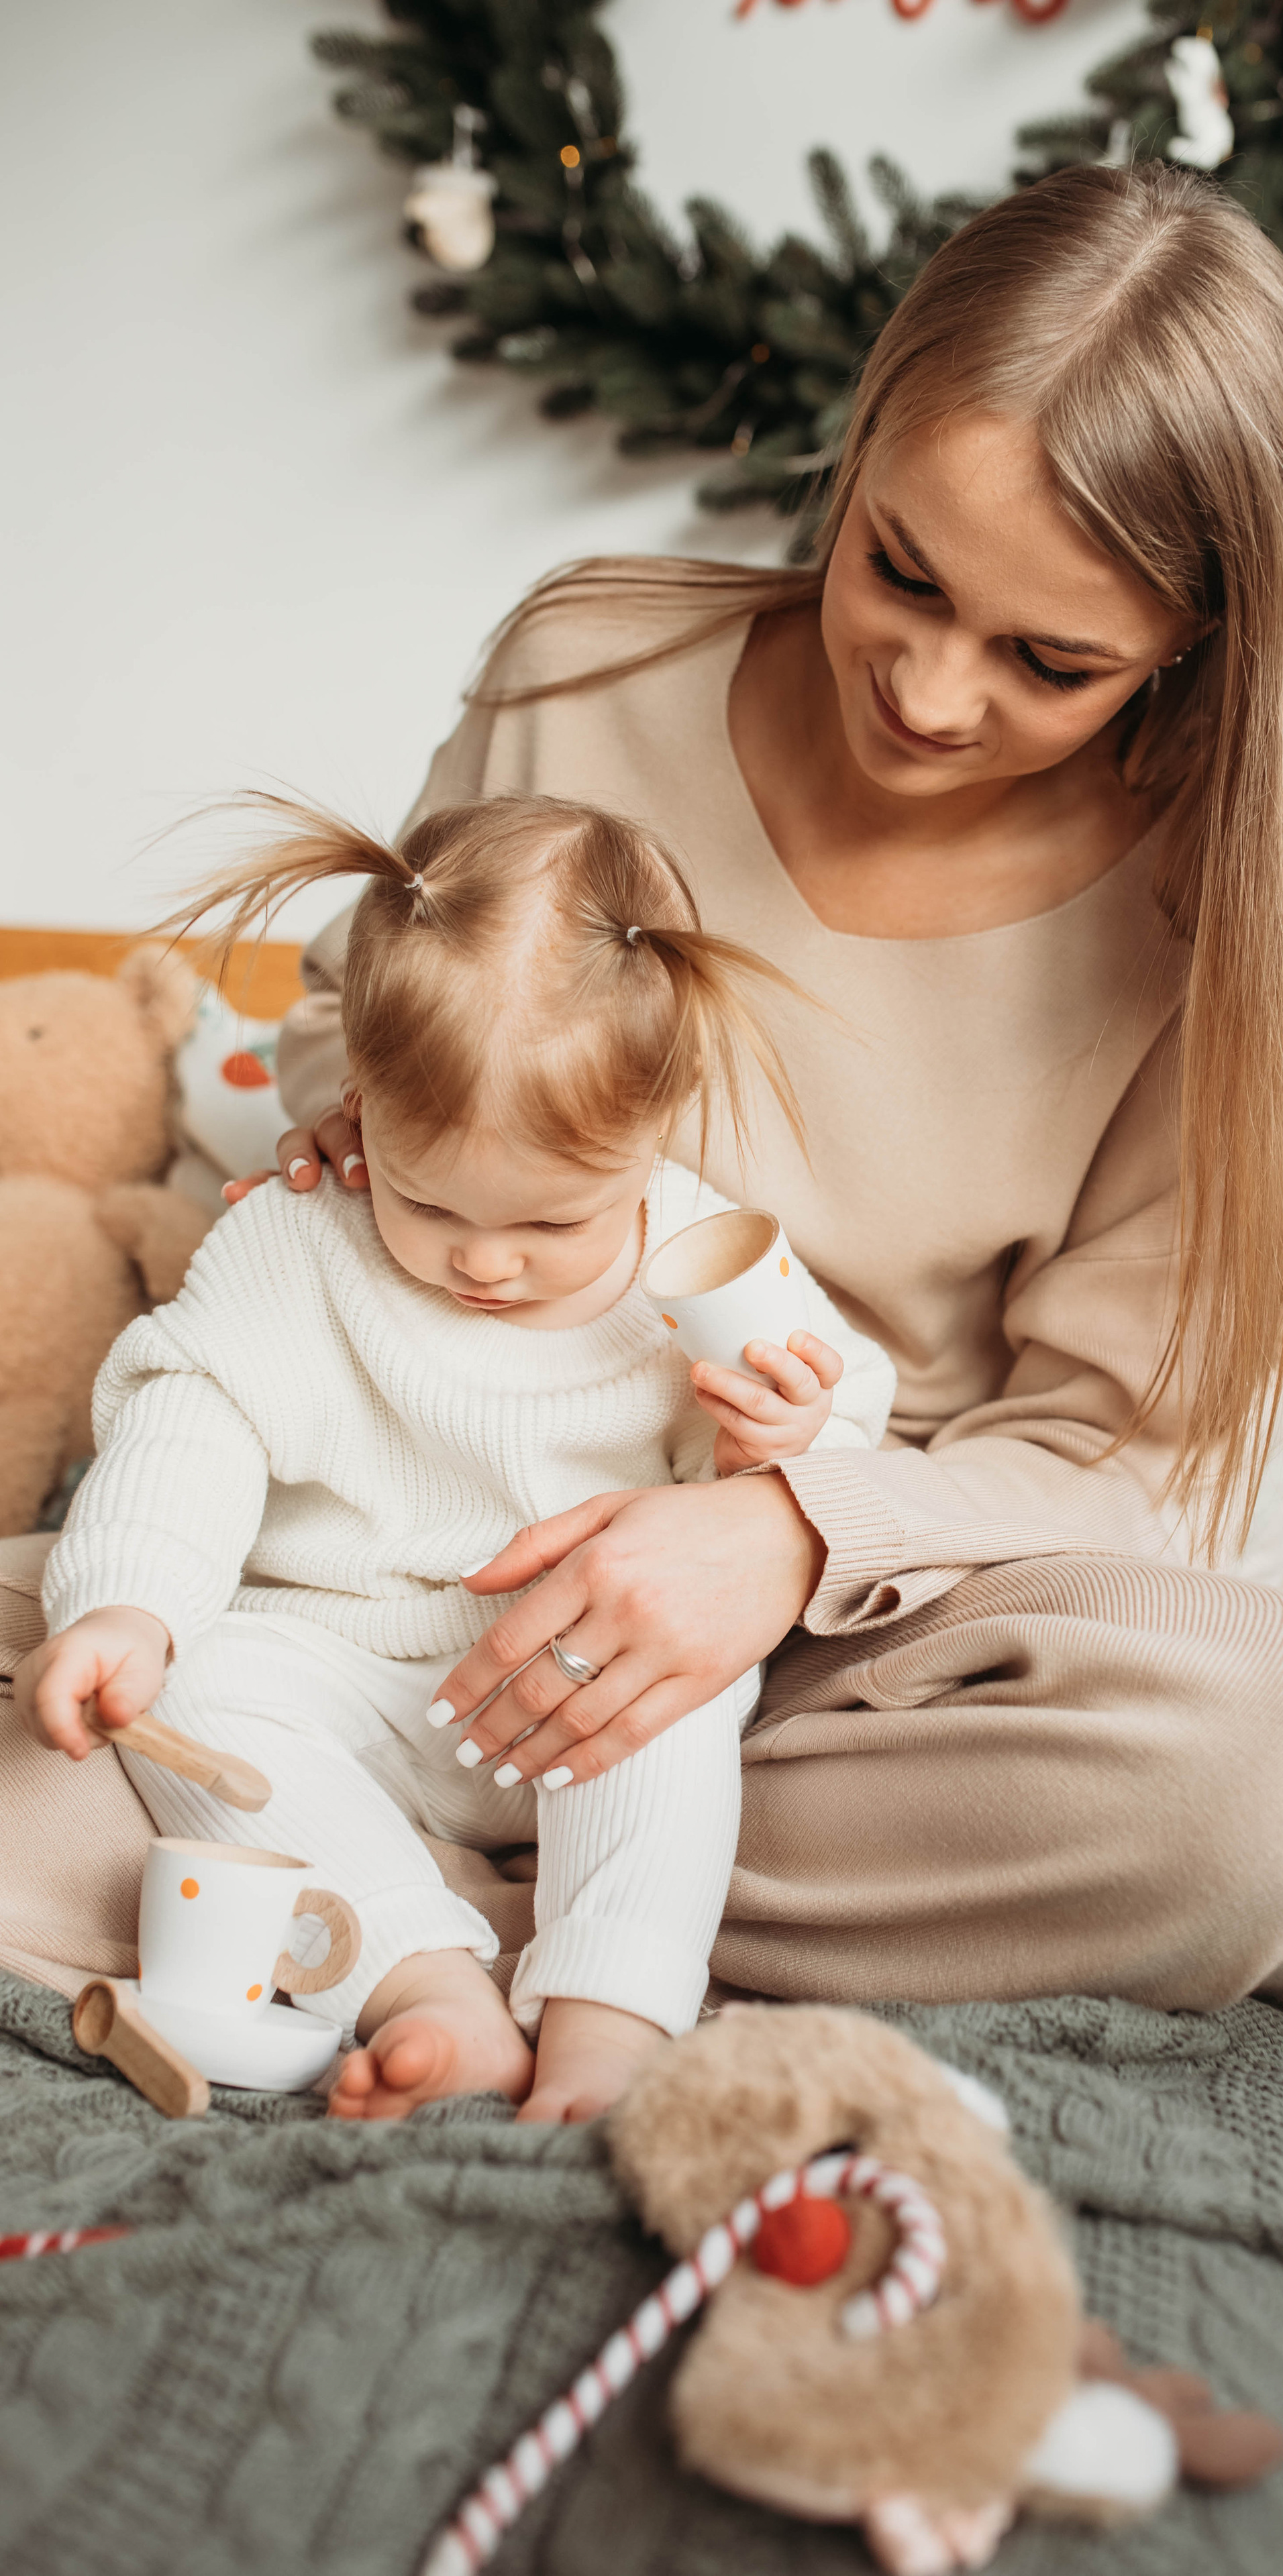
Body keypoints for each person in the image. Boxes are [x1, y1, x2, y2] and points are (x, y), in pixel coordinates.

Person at [121, 160, 1283, 2034]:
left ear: (1196, 640)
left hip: (832, 1676)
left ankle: (395, 1895)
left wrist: (790, 1538)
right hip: (388, 1570)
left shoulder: (1209, 914)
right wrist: (359, 1096)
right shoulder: (586, 662)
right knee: (107, 1664)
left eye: (1050, 661)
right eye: (900, 570)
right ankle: (482, 1888)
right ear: (855, 458)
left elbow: (1132, 1460)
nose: (927, 693)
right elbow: (358, 1022)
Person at [15, 796, 896, 2122]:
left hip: (578, 1672)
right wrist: (129, 1607)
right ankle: (422, 1985)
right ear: (357, 1098)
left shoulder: (704, 1254)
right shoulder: (297, 1236)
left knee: (679, 1698)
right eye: (427, 1202)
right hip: (348, 1671)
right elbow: (187, 1416)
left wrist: (784, 1439)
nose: (484, 1262)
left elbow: (848, 1419)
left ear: (655, 1130)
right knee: (197, 1681)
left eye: (552, 1220)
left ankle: (611, 2014)